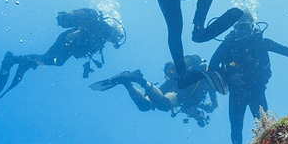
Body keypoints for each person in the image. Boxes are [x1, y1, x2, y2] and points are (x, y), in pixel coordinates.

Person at [209, 12, 288, 144]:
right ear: (235, 28)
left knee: (265, 127)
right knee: (236, 128)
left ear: (253, 26)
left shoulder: (262, 43)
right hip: (237, 93)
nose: (244, 31)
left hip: (256, 91)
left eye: (247, 26)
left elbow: (284, 50)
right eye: (241, 27)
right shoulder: (227, 46)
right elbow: (212, 67)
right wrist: (228, 76)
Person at [0, 9, 125, 99]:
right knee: (55, 60)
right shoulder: (105, 29)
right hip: (68, 41)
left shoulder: (102, 37)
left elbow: (87, 47)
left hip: (68, 43)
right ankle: (18, 60)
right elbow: (88, 33)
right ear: (114, 30)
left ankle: (19, 61)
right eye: (117, 37)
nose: (115, 41)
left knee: (51, 59)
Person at [90, 55, 220, 127]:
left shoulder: (197, 96)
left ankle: (126, 82)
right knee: (163, 106)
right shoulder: (207, 80)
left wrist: (198, 113)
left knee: (144, 106)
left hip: (176, 84)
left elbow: (188, 107)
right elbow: (211, 95)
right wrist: (213, 106)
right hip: (182, 87)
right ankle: (139, 79)